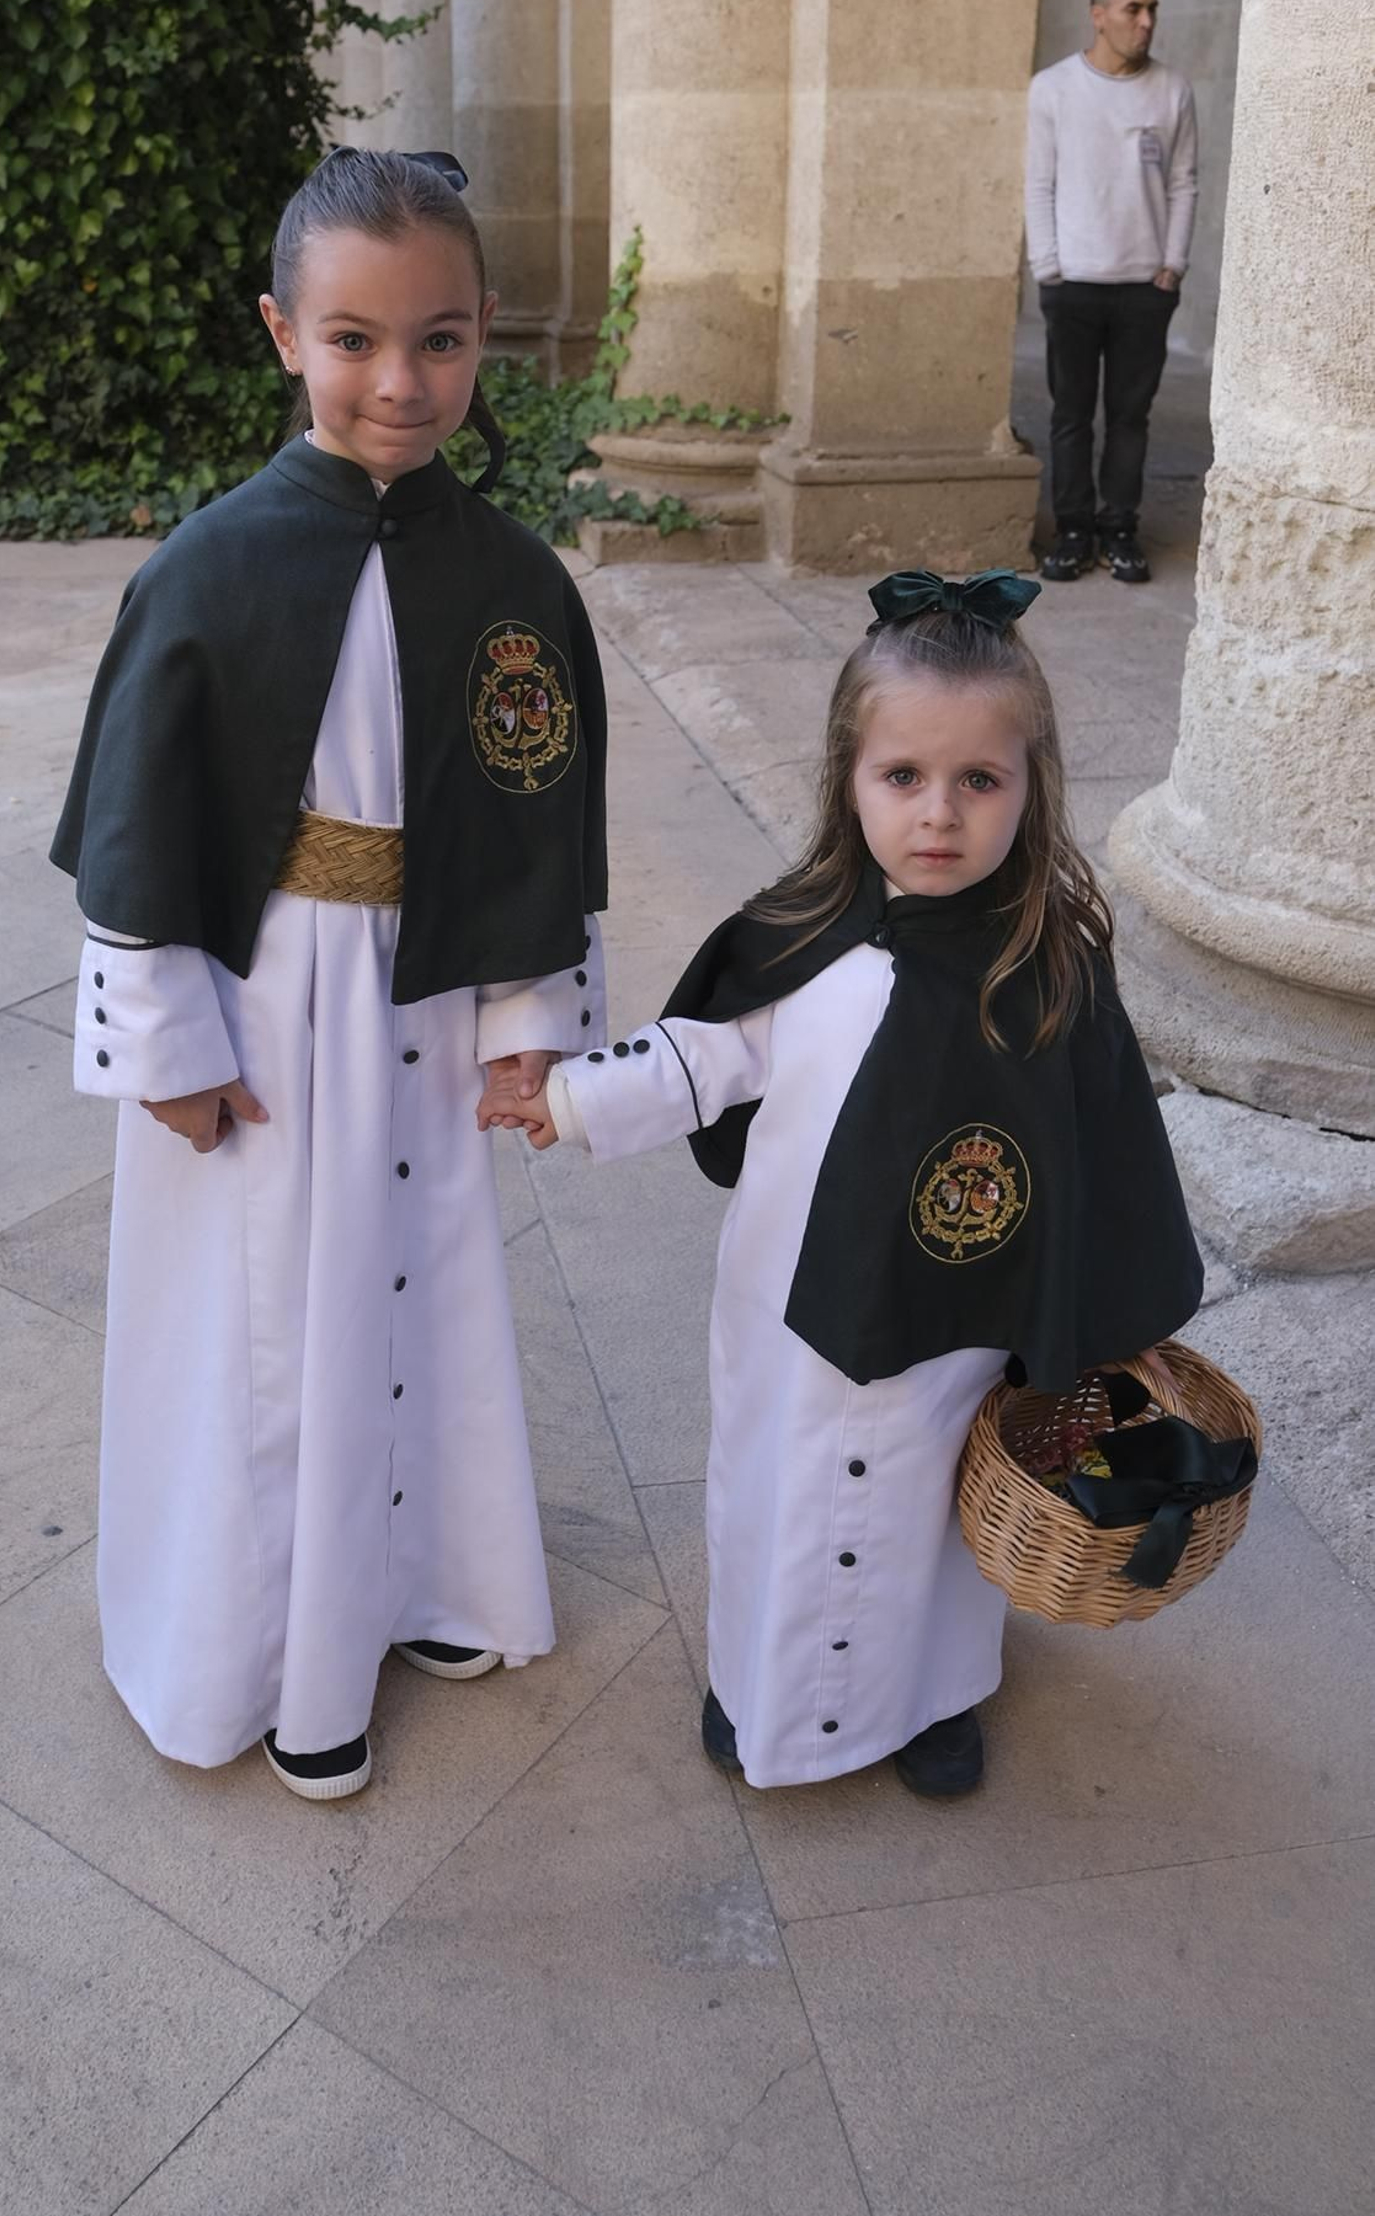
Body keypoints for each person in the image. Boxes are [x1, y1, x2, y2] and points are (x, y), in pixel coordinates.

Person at [51, 148, 608, 1801]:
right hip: (266, 997)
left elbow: (538, 819)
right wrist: (163, 1037)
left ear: (487, 332)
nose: (398, 379)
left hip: (431, 1006)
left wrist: (530, 1031)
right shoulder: (211, 570)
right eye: (354, 338)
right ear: (283, 333)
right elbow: (141, 826)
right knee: (268, 1319)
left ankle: (424, 1583)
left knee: (423, 1285)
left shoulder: (516, 582)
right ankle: (278, 1658)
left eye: (439, 339)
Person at [486, 572, 1202, 1798]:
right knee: (777, 1486)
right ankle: (756, 1681)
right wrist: (568, 1098)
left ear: (1030, 789)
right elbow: (705, 1053)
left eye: (980, 779)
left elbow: (1103, 1149)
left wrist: (1095, 1319)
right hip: (790, 1309)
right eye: (903, 777)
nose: (940, 813)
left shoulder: (1052, 966)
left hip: (960, 1330)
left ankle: (932, 1696)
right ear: (848, 777)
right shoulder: (805, 933)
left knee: (935, 1508)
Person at [1025, 0, 1198, 585]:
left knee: (1130, 417)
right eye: (1133, 9)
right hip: (1072, 282)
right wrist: (1048, 266)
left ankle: (1119, 530)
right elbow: (1038, 183)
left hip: (1144, 287)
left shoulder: (1173, 89)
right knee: (1071, 414)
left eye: (1152, 9)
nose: (1147, 22)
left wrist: (1172, 264)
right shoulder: (1053, 88)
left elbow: (1184, 184)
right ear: (1099, 15)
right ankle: (1073, 533)